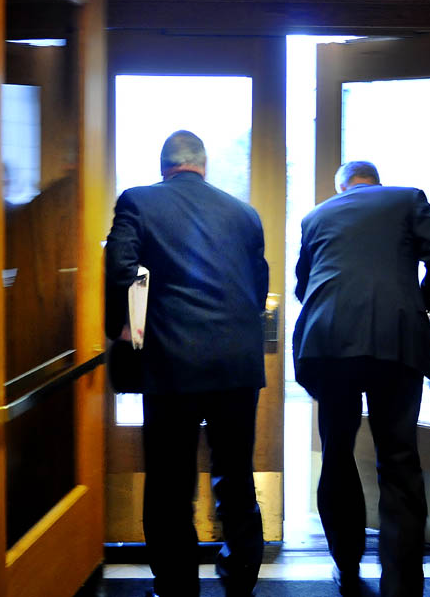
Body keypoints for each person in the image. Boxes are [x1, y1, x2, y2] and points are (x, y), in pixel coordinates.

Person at [105, 130, 269, 597]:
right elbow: (258, 285)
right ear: (204, 165)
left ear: (164, 167)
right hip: (237, 365)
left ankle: (177, 586)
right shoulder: (244, 213)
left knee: (170, 481)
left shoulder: (139, 201)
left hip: (172, 362)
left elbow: (122, 269)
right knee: (235, 472)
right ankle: (240, 578)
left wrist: (127, 331)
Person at [293, 161, 430, 597]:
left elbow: (302, 287)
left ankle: (346, 568)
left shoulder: (317, 216)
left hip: (329, 341)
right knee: (399, 459)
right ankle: (402, 584)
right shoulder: (406, 199)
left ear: (341, 187)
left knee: (337, 452)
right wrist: (419, 301)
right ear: (375, 182)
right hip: (395, 339)